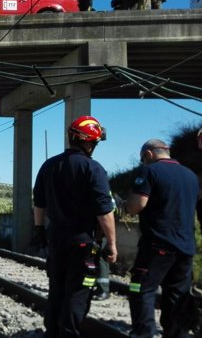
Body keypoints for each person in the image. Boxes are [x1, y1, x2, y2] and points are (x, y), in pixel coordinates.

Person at [31, 115, 117, 338]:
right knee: (78, 292)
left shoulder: (49, 165)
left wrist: (39, 229)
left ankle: (52, 332)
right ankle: (68, 333)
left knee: (57, 288)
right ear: (89, 142)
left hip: (56, 239)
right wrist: (112, 245)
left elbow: (38, 202)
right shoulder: (93, 169)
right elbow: (104, 211)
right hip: (83, 243)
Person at [125, 139, 199, 338]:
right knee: (176, 295)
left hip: (157, 244)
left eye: (143, 159)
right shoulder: (191, 176)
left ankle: (144, 333)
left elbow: (136, 205)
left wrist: (125, 204)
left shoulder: (149, 172)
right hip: (185, 247)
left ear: (148, 155)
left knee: (141, 289)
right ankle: (177, 334)